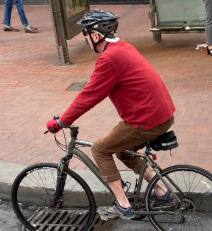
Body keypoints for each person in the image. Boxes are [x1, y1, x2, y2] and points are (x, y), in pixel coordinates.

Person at [45, 10, 176, 220]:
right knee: (124, 151)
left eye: (85, 34)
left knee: (100, 149)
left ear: (96, 35)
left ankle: (123, 205)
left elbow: (88, 96)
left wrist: (61, 122)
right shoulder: (123, 47)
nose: (85, 38)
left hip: (146, 119)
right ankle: (162, 191)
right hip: (161, 114)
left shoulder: (109, 58)